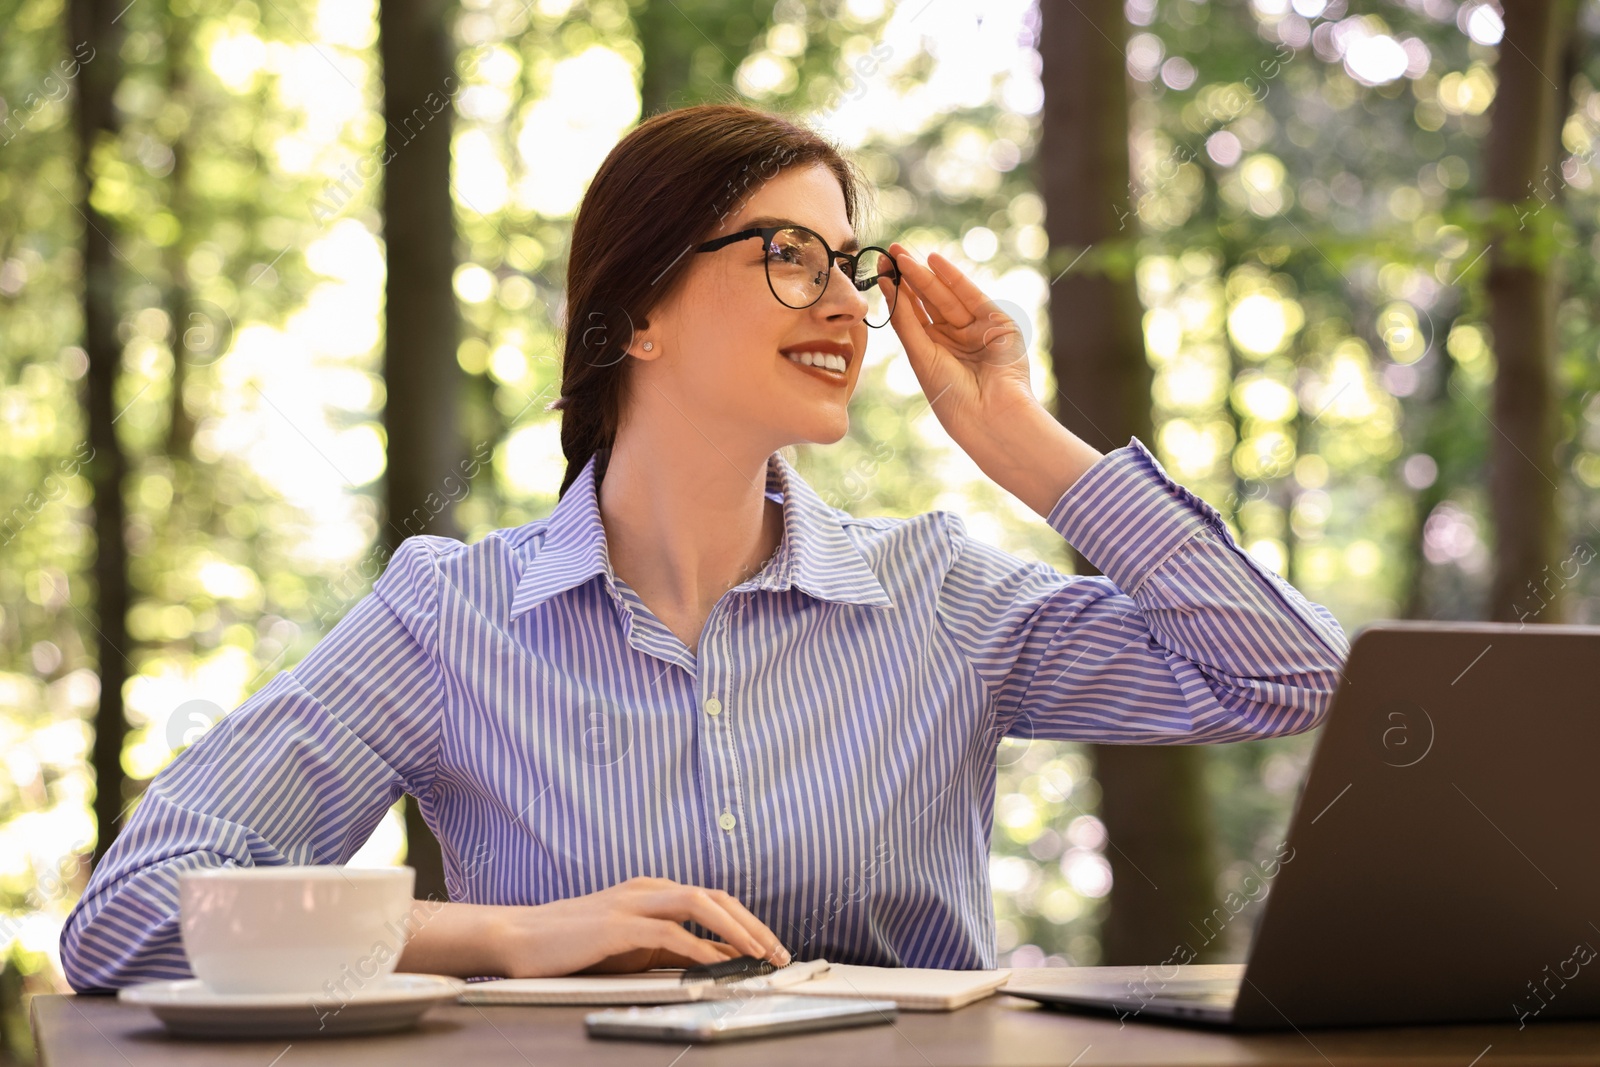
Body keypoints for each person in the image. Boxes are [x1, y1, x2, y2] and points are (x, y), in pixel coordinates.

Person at [60, 103, 1348, 991]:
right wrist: (503, 938)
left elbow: (1296, 679)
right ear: (634, 315)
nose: (848, 304)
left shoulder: (939, 597)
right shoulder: (448, 618)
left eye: (851, 264)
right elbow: (136, 914)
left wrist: (1017, 434)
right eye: (790, 257)